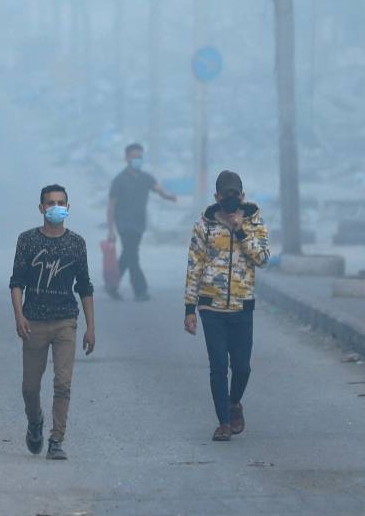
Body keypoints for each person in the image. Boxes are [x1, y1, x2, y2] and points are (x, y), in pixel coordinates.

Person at [9, 184, 95, 461]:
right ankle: (35, 422)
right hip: (34, 322)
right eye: (50, 202)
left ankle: (56, 439)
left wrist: (91, 328)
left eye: (60, 202)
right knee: (30, 388)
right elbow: (16, 282)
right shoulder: (28, 240)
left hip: (65, 322)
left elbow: (85, 286)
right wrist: (19, 315)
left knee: (63, 383)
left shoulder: (76, 243)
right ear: (41, 208)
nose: (55, 207)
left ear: (68, 208)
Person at [183, 171, 269, 442]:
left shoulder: (254, 222)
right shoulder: (204, 225)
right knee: (218, 366)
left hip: (242, 305)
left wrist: (240, 230)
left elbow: (263, 258)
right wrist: (189, 308)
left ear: (242, 197)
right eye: (226, 196)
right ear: (217, 197)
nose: (231, 200)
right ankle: (223, 422)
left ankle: (234, 403)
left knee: (242, 367)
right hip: (211, 307)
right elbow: (194, 265)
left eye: (235, 195)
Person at [106, 143, 177, 301]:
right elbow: (111, 207)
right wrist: (111, 229)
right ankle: (140, 290)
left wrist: (169, 197)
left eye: (140, 157)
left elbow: (159, 190)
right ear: (126, 159)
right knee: (132, 254)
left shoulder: (146, 178)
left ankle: (111, 284)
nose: (138, 160)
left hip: (139, 224)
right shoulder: (119, 180)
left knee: (128, 255)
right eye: (134, 157)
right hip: (124, 224)